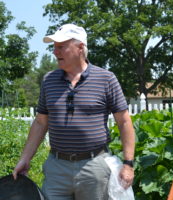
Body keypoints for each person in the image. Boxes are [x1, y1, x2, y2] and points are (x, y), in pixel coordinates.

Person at [13, 24, 135, 200]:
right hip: (57, 168)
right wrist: (25, 158)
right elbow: (41, 122)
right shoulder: (49, 80)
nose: (55, 52)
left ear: (80, 48)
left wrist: (128, 164)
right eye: (54, 47)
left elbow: (124, 122)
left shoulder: (106, 79)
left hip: (94, 168)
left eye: (61, 47)